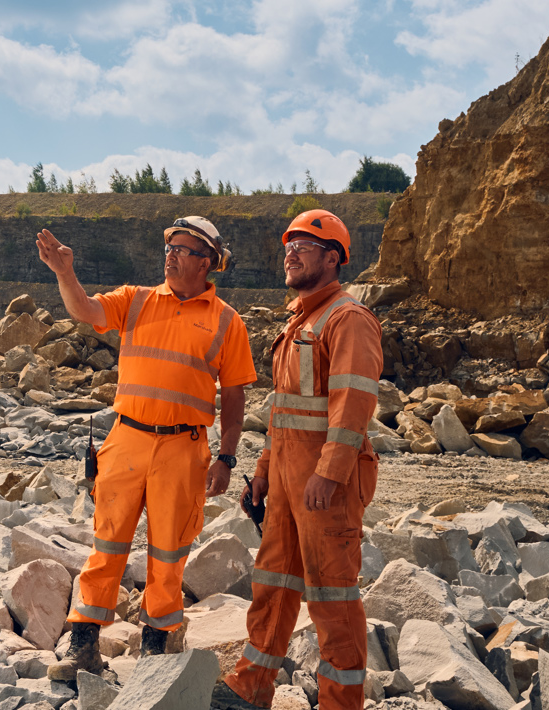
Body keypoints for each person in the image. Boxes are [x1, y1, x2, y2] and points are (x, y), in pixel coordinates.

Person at [36, 216, 258, 681]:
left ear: (207, 263)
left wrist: (227, 457)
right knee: (106, 546)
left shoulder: (226, 321)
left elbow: (235, 395)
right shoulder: (135, 300)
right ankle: (84, 646)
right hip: (127, 438)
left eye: (181, 249)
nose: (170, 255)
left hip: (185, 447)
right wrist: (64, 273)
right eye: (169, 247)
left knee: (169, 555)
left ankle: (154, 655)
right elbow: (86, 311)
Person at [215, 209, 383, 710]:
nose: (290, 253)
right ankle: (251, 685)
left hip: (323, 485)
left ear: (332, 259)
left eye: (304, 246)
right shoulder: (299, 322)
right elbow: (284, 411)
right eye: (288, 246)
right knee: (272, 582)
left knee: (331, 596)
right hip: (287, 482)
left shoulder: (347, 318)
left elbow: (353, 402)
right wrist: (264, 472)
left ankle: (340, 703)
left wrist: (329, 473)